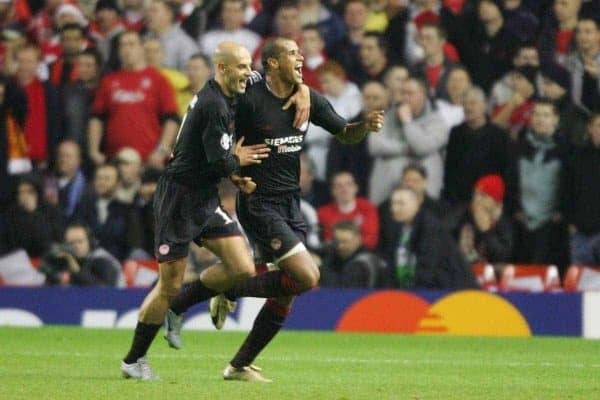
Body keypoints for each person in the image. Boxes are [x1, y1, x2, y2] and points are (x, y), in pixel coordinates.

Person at [164, 37, 384, 382]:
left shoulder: (308, 99)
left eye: (300, 53)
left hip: (291, 203)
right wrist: (233, 169)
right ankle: (216, 292)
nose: (300, 58)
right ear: (272, 63)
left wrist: (364, 127)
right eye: (292, 54)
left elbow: (344, 133)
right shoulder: (249, 96)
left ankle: (238, 366)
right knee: (308, 277)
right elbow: (218, 122)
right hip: (259, 202)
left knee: (287, 291)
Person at [120, 41, 310, 380]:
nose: (247, 73)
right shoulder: (213, 106)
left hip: (205, 198)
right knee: (168, 285)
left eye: (248, 65)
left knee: (241, 266)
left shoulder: (233, 87)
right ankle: (134, 360)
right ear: (221, 68)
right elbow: (220, 162)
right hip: (179, 200)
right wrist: (238, 162)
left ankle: (182, 305)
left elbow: (276, 77)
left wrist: (304, 89)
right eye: (240, 67)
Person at [88, 30, 180, 169]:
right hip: (114, 159)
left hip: (148, 160)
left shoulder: (159, 80)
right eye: (123, 45)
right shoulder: (108, 81)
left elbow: (171, 119)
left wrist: (162, 150)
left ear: (142, 48)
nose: (126, 49)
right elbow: (97, 118)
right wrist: (94, 151)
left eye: (131, 44)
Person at [377, 186, 478, 289]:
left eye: (401, 203)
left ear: (416, 204)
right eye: (393, 203)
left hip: (452, 291)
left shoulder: (429, 227)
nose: (394, 208)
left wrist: (414, 293)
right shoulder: (398, 228)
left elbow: (428, 267)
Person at [442, 87, 510, 207]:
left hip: (489, 201)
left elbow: (507, 173)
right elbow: (450, 169)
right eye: (465, 104)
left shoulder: (499, 136)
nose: (468, 108)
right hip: (459, 202)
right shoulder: (456, 133)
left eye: (473, 103)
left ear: (484, 106)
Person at [40, 223, 122, 286]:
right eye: (71, 243)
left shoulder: (102, 260)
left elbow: (101, 291)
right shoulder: (62, 259)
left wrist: (74, 266)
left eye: (80, 241)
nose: (76, 246)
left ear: (89, 242)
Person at [319, 171, 380, 250]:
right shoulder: (323, 213)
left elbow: (371, 239)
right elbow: (327, 240)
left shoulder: (368, 207)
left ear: (356, 188)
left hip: (362, 253)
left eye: (349, 184)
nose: (344, 189)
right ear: (332, 190)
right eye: (339, 186)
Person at [320, 221, 383, 288]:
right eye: (336, 241)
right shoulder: (335, 256)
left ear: (358, 239)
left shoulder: (363, 262)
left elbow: (340, 290)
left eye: (345, 242)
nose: (340, 246)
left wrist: (322, 266)